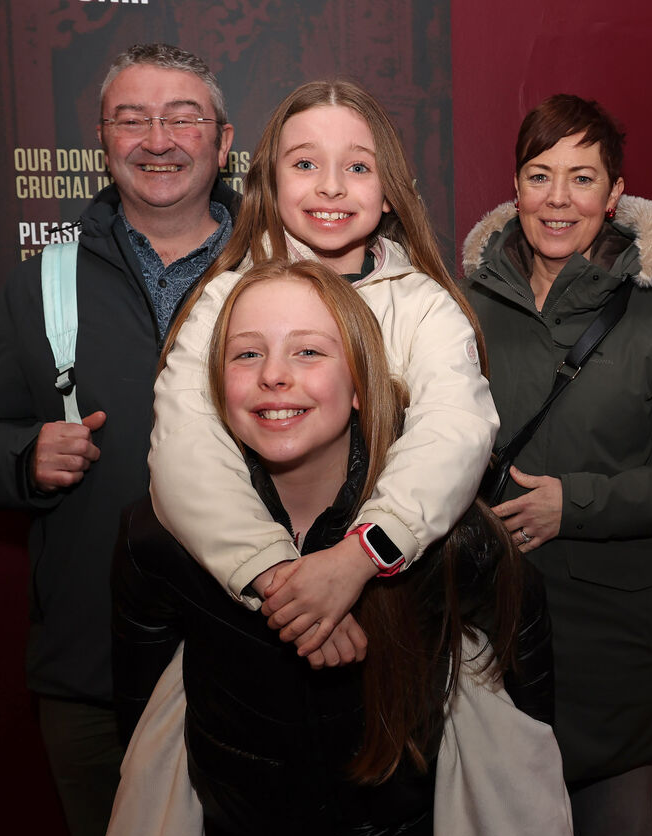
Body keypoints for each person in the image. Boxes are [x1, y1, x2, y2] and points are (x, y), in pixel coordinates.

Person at [92, 259, 582, 836]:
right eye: (248, 353)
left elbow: (521, 656)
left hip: (417, 832)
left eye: (309, 351)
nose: (274, 375)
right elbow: (144, 706)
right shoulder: (158, 537)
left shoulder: (446, 533)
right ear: (215, 387)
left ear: (359, 385)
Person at [0, 44, 238, 836]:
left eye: (182, 116)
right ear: (101, 140)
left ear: (222, 141)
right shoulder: (43, 281)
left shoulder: (287, 273)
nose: (158, 139)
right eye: (131, 119)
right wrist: (25, 453)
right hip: (91, 662)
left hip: (261, 644)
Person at [462, 94, 652, 836]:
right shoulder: (463, 305)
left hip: (615, 628)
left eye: (582, 178)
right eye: (541, 175)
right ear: (514, 186)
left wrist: (570, 502)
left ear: (614, 193)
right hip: (488, 623)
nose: (558, 198)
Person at [148, 79, 499, 669]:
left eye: (357, 167)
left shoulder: (425, 306)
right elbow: (185, 444)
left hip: (405, 624)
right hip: (242, 633)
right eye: (305, 163)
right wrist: (279, 576)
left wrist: (356, 560)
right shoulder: (223, 300)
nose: (331, 186)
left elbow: (455, 431)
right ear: (270, 183)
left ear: (389, 192)